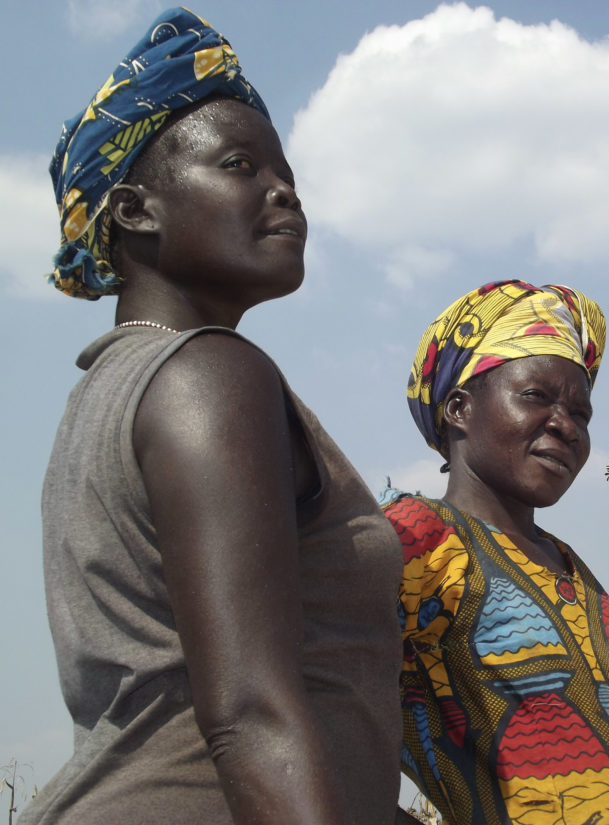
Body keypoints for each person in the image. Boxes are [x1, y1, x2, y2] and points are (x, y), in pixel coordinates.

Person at [23, 8, 402, 825]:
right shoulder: (208, 375)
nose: (284, 190)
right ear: (134, 211)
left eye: (286, 171)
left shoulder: (111, 389)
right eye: (239, 164)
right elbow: (249, 713)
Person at [384, 280, 609, 824]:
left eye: (582, 413)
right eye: (536, 396)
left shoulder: (572, 566)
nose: (566, 426)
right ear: (458, 408)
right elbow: (284, 700)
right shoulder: (420, 536)